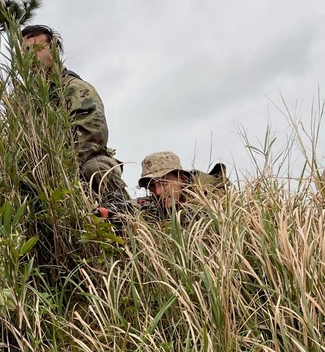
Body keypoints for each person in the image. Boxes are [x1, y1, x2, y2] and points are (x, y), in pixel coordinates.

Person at [20, 24, 130, 213]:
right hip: (41, 169)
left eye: (38, 49)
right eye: (26, 51)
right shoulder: (24, 99)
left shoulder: (76, 89)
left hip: (78, 164)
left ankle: (123, 217)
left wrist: (59, 168)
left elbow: (91, 137)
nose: (32, 56)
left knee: (96, 168)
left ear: (54, 50)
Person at [136, 151, 229, 221]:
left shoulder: (215, 200)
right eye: (151, 185)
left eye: (163, 182)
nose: (158, 191)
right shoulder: (150, 208)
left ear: (181, 178)